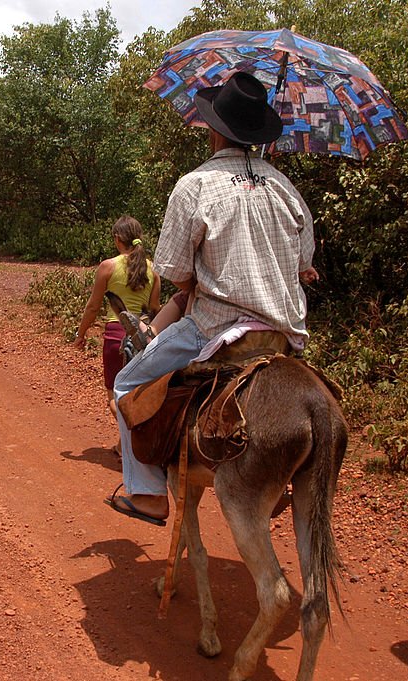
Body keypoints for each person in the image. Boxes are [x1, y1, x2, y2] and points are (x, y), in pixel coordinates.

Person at [107, 72, 319, 525]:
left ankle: (147, 493)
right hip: (282, 339)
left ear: (215, 129)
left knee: (126, 382)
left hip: (217, 330)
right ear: (257, 133)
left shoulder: (195, 185)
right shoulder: (289, 190)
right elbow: (305, 267)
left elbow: (179, 276)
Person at [74, 215, 161, 424]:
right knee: (136, 391)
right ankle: (125, 445)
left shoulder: (108, 266)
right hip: (144, 338)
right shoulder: (154, 270)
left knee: (114, 395)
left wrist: (81, 333)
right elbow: (155, 309)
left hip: (116, 337)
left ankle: (131, 436)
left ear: (117, 239)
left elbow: (93, 306)